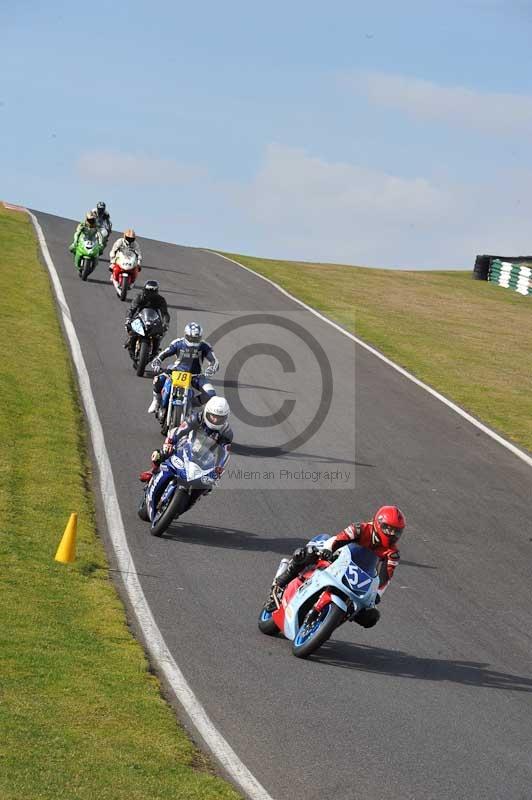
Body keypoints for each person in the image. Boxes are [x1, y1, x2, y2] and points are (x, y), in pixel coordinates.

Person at [268, 505, 406, 628]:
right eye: (388, 528)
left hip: (358, 576)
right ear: (378, 523)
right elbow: (337, 540)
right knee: (306, 554)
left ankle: (329, 623)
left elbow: (385, 578)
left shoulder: (393, 554)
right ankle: (281, 582)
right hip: (337, 556)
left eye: (396, 531)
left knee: (371, 617)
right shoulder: (359, 529)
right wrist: (328, 550)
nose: (392, 534)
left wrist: (377, 595)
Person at [139, 396, 233, 509]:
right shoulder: (197, 418)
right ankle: (153, 471)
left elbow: (225, 454)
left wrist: (218, 469)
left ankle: (187, 503)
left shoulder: (226, 432)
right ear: (207, 411)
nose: (215, 420)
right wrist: (170, 443)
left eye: (219, 418)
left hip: (204, 458)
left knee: (207, 487)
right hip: (184, 445)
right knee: (159, 454)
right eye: (213, 416)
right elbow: (180, 431)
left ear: (225, 417)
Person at [148, 321, 219, 414]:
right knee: (158, 380)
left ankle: (191, 404)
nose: (193, 342)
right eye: (191, 338)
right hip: (176, 371)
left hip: (195, 375)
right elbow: (164, 354)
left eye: (196, 339)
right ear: (186, 335)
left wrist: (211, 368)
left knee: (211, 394)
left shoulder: (205, 346)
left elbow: (214, 361)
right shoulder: (178, 343)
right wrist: (157, 361)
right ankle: (156, 401)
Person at [124, 280, 170, 351]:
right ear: (144, 289)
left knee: (162, 332)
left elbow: (165, 313)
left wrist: (166, 323)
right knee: (130, 328)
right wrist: (128, 318)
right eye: (149, 290)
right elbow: (132, 309)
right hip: (140, 318)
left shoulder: (161, 300)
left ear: (156, 291)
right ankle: (130, 339)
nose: (150, 292)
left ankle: (156, 346)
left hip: (154, 319)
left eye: (153, 290)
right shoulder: (139, 297)